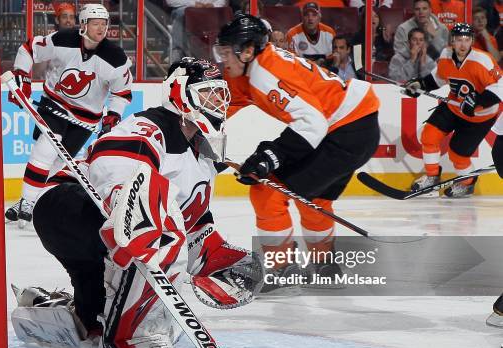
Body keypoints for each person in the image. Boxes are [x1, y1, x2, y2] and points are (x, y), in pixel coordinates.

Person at [21, 58, 262, 348]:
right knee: (160, 225)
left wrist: (218, 259)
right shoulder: (155, 124)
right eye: (208, 93)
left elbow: (195, 230)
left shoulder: (202, 159)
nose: (217, 102)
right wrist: (125, 197)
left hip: (100, 233)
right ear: (180, 93)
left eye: (220, 94)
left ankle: (50, 310)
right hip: (68, 206)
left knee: (94, 329)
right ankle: (127, 341)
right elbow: (111, 156)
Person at [215, 14, 380, 289]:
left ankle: (282, 269)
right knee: (314, 196)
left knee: (266, 190)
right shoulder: (252, 67)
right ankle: (324, 264)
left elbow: (311, 122)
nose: (223, 60)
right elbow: (220, 109)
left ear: (246, 51)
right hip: (355, 124)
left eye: (226, 52)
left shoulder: (263, 73)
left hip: (344, 131)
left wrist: (271, 156)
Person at [5, 4, 133, 226]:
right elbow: (28, 49)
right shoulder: (62, 39)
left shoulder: (116, 58)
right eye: (95, 24)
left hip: (85, 118)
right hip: (54, 104)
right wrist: (21, 76)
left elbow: (121, 92)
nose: (101, 28)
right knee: (46, 148)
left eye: (104, 24)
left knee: (58, 163)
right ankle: (27, 201)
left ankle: (29, 201)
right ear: (83, 24)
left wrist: (113, 114)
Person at [403, 23, 502, 197]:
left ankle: (467, 183)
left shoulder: (482, 60)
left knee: (457, 156)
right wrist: (420, 84)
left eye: (466, 40)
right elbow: (440, 78)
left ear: (471, 41)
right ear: (452, 41)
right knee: (429, 135)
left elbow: (500, 86)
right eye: (458, 40)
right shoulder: (446, 55)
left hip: (480, 117)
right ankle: (432, 179)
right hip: (454, 107)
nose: (463, 45)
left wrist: (477, 100)